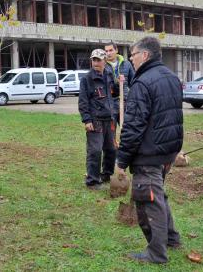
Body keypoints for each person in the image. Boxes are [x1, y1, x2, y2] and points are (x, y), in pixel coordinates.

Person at [116, 37, 183, 264]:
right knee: (159, 194)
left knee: (148, 200)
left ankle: (156, 253)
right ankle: (172, 238)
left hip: (149, 153)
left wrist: (122, 160)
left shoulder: (143, 83)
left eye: (132, 55)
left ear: (145, 55)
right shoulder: (171, 77)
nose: (131, 59)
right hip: (167, 152)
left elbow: (133, 126)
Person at [78, 49, 119, 190]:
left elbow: (114, 93)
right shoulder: (87, 79)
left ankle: (106, 175)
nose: (95, 62)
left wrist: (120, 84)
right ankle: (92, 181)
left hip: (110, 119)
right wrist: (87, 120)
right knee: (95, 150)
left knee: (112, 149)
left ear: (104, 61)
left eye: (98, 60)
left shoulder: (109, 74)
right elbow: (83, 102)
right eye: (93, 60)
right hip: (95, 120)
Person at [104, 41, 135, 175]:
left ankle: (125, 164)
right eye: (106, 51)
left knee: (127, 133)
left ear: (116, 50)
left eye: (111, 50)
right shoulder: (103, 65)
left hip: (125, 102)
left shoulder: (126, 64)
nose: (108, 53)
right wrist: (115, 82)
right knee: (110, 136)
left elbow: (134, 81)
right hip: (110, 104)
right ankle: (108, 169)